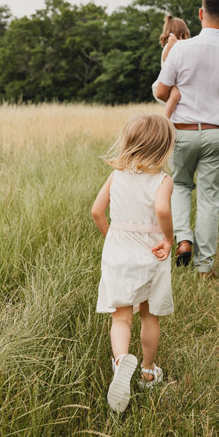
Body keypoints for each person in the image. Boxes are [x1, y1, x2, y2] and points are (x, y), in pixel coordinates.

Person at [155, 0, 219, 276]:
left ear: (200, 14)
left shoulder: (181, 50)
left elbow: (161, 91)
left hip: (183, 132)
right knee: (209, 200)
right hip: (216, 134)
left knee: (181, 186)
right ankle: (204, 266)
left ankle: (184, 238)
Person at [91, 114, 175, 413]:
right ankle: (148, 370)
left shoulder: (118, 175)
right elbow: (163, 208)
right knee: (149, 315)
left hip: (119, 251)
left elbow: (97, 212)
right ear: (165, 147)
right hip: (151, 251)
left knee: (120, 317)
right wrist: (168, 239)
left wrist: (112, 237)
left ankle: (120, 363)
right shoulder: (163, 180)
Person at [152, 15, 191, 119]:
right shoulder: (171, 46)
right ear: (184, 33)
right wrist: (171, 44)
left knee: (178, 104)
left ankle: (172, 118)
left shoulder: (181, 46)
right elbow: (165, 58)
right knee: (176, 95)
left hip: (174, 83)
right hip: (170, 85)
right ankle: (166, 119)